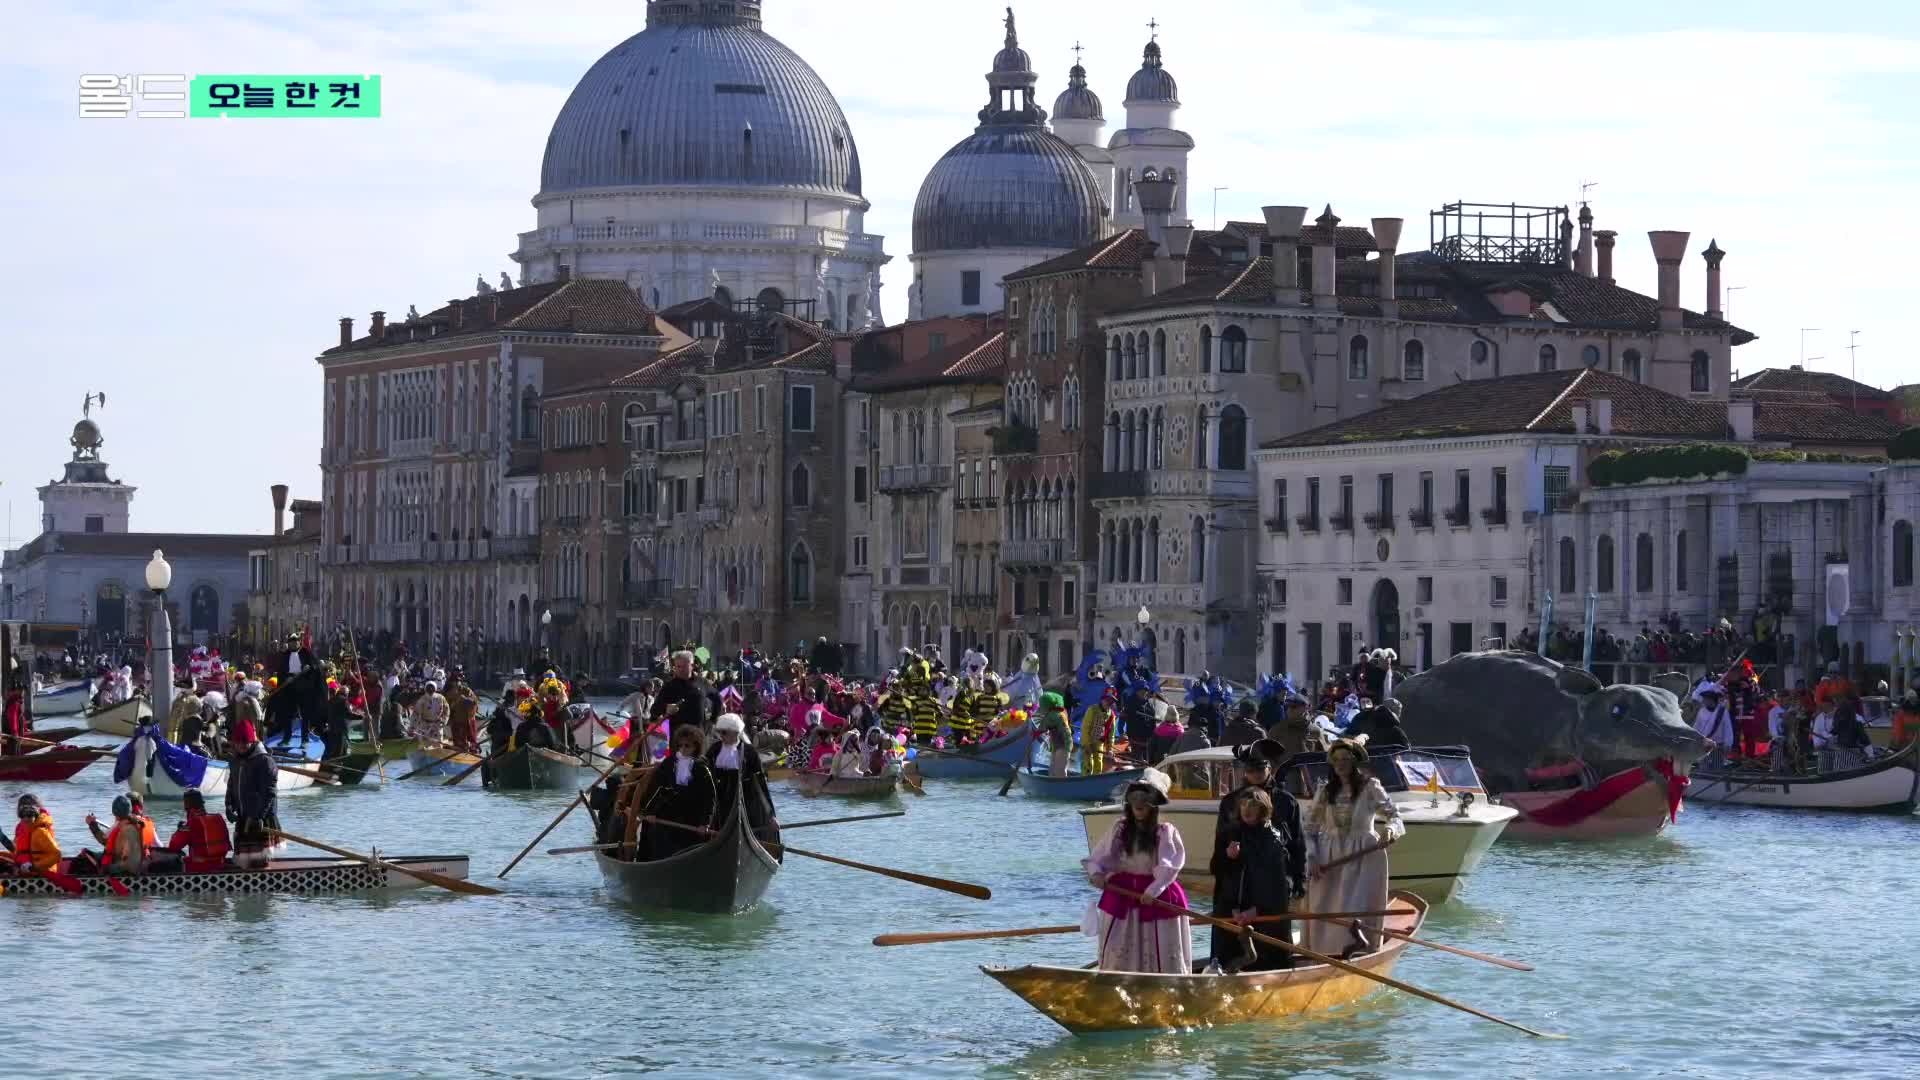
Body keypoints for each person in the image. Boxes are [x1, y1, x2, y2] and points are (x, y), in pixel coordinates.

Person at [1081, 769, 1190, 974]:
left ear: (1154, 804)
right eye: (1134, 797)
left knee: (1160, 950)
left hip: (1155, 895)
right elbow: (1100, 857)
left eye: (1145, 797)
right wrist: (1096, 873)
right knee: (1117, 951)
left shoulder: (1165, 832)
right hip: (1123, 894)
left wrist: (1154, 890)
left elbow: (1169, 866)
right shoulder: (1120, 829)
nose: (1139, 804)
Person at [1207, 738, 1304, 969]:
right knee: (1228, 941)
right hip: (1235, 882)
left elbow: (1297, 845)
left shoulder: (1286, 801)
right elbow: (1220, 844)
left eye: (1260, 768)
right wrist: (1225, 862)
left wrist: (1299, 879)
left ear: (1269, 768)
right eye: (1250, 769)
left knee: (1271, 945)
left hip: (1271, 883)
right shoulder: (1230, 802)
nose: (1256, 773)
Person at [1304, 739, 1405, 959]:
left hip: (1364, 855)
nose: (1340, 764)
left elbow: (1395, 816)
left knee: (1357, 908)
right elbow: (1309, 828)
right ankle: (1322, 955)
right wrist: (1312, 856)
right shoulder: (1324, 790)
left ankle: (1359, 951)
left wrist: (1390, 830)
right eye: (1336, 760)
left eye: (1345, 760)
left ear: (1354, 762)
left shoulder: (1371, 787)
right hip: (1328, 856)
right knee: (1325, 907)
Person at [1216, 789, 1306, 971]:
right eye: (1243, 805)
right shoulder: (1231, 834)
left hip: (1264, 915)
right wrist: (1227, 856)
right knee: (1229, 949)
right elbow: (1224, 875)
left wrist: (1256, 910)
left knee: (1267, 958)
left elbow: (1277, 884)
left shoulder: (1272, 839)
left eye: (1253, 806)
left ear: (1262, 809)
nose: (1247, 810)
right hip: (1235, 911)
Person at [632, 725, 718, 861]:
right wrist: (650, 812)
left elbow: (710, 797)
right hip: (667, 819)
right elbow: (657, 789)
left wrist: (705, 823)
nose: (683, 749)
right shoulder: (669, 763)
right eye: (680, 745)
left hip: (692, 821)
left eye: (687, 746)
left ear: (696, 747)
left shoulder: (702, 769)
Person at [704, 713, 778, 844]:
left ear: (735, 732)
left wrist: (770, 815)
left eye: (725, 732)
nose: (721, 735)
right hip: (719, 801)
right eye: (720, 732)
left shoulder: (749, 752)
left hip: (744, 799)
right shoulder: (715, 749)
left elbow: (761, 784)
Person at [225, 715, 280, 869]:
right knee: (242, 863)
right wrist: (229, 805)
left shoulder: (265, 762)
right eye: (238, 743)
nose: (242, 746)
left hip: (261, 818)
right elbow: (231, 785)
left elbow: (270, 793)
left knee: (259, 865)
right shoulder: (235, 761)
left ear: (253, 741)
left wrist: (259, 817)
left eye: (245, 742)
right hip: (243, 817)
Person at [165, 788, 232, 873]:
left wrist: (179, 830)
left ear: (186, 807)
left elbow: (173, 847)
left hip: (199, 869)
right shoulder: (218, 818)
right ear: (202, 804)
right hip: (220, 864)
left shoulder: (191, 824)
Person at [650, 650, 709, 734]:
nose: (680, 669)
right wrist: (666, 708)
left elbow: (717, 699)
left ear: (692, 665)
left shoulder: (702, 683)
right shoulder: (669, 687)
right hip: (678, 739)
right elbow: (654, 710)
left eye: (684, 666)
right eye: (678, 666)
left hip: (699, 737)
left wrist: (712, 720)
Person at [7, 794, 60, 875]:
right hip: (23, 871)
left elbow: (56, 855)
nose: (26, 818)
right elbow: (17, 851)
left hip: (41, 874)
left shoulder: (40, 831)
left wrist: (33, 866)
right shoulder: (20, 828)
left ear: (36, 812)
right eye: (23, 814)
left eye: (29, 815)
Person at [1080, 688, 1117, 774]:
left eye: (1111, 701)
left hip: (1099, 743)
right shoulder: (1092, 710)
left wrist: (1110, 748)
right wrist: (1086, 743)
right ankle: (1084, 781)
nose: (1108, 702)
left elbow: (1111, 734)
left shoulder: (1112, 715)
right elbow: (1085, 728)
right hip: (1088, 741)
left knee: (1098, 765)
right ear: (1102, 699)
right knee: (1088, 764)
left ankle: (1095, 783)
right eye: (1107, 700)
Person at [1036, 691, 1074, 777]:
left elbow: (1066, 732)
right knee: (1053, 769)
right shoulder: (1058, 714)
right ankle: (1053, 785)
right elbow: (1044, 726)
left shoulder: (1056, 715)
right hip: (1057, 746)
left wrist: (1037, 732)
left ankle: (1061, 787)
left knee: (1059, 770)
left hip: (1063, 745)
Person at [445, 669, 480, 753]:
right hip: (456, 722)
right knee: (458, 744)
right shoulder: (448, 692)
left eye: (458, 681)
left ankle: (472, 750)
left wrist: (465, 699)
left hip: (468, 721)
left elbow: (475, 704)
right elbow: (446, 707)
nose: (456, 683)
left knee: (471, 741)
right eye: (454, 681)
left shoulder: (467, 691)